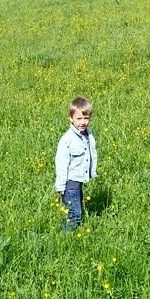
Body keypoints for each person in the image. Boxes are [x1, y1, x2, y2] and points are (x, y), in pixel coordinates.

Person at [55, 96, 97, 231]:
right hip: (70, 183)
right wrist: (61, 186)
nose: (83, 122)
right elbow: (61, 163)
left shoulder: (87, 134)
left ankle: (70, 233)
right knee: (74, 214)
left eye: (86, 118)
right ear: (71, 118)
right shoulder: (67, 140)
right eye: (79, 118)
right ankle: (65, 237)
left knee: (76, 207)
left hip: (78, 181)